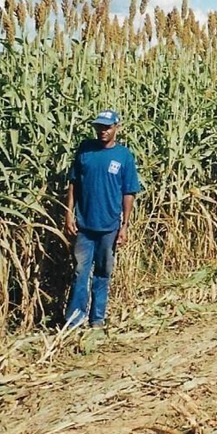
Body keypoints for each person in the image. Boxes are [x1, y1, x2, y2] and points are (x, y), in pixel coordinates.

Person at [63, 109, 142, 329]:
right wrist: (69, 213)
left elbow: (129, 192)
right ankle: (74, 320)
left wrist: (124, 225)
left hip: (109, 226)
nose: (102, 131)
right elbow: (73, 183)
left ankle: (97, 318)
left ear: (117, 127)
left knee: (102, 273)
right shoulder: (85, 150)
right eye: (99, 127)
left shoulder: (123, 156)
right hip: (84, 225)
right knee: (80, 272)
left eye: (107, 127)